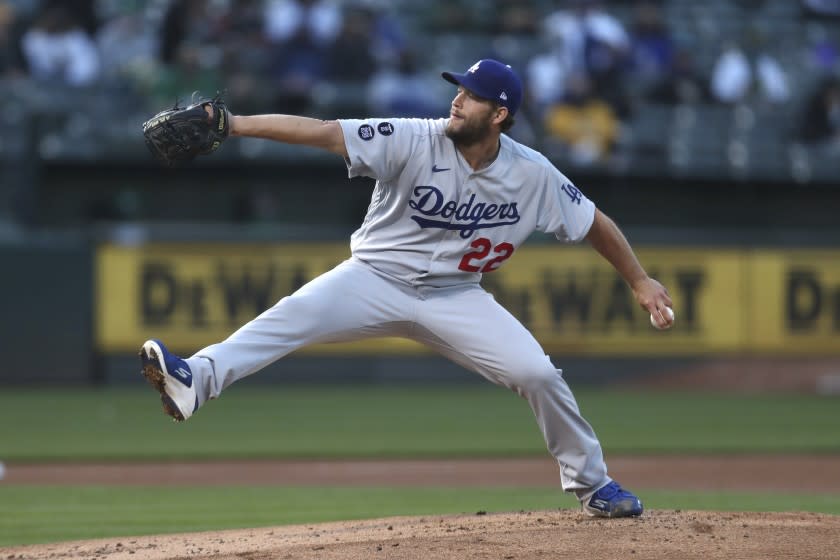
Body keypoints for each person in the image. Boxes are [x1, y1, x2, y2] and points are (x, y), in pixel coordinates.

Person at [139, 58, 674, 518]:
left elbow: (594, 222)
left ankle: (593, 485)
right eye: (458, 90)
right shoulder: (414, 136)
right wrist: (231, 123)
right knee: (288, 317)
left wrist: (640, 280)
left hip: (456, 296)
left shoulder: (532, 174)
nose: (458, 100)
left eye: (472, 95)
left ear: (500, 114)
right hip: (373, 278)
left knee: (537, 372)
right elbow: (324, 132)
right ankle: (195, 380)